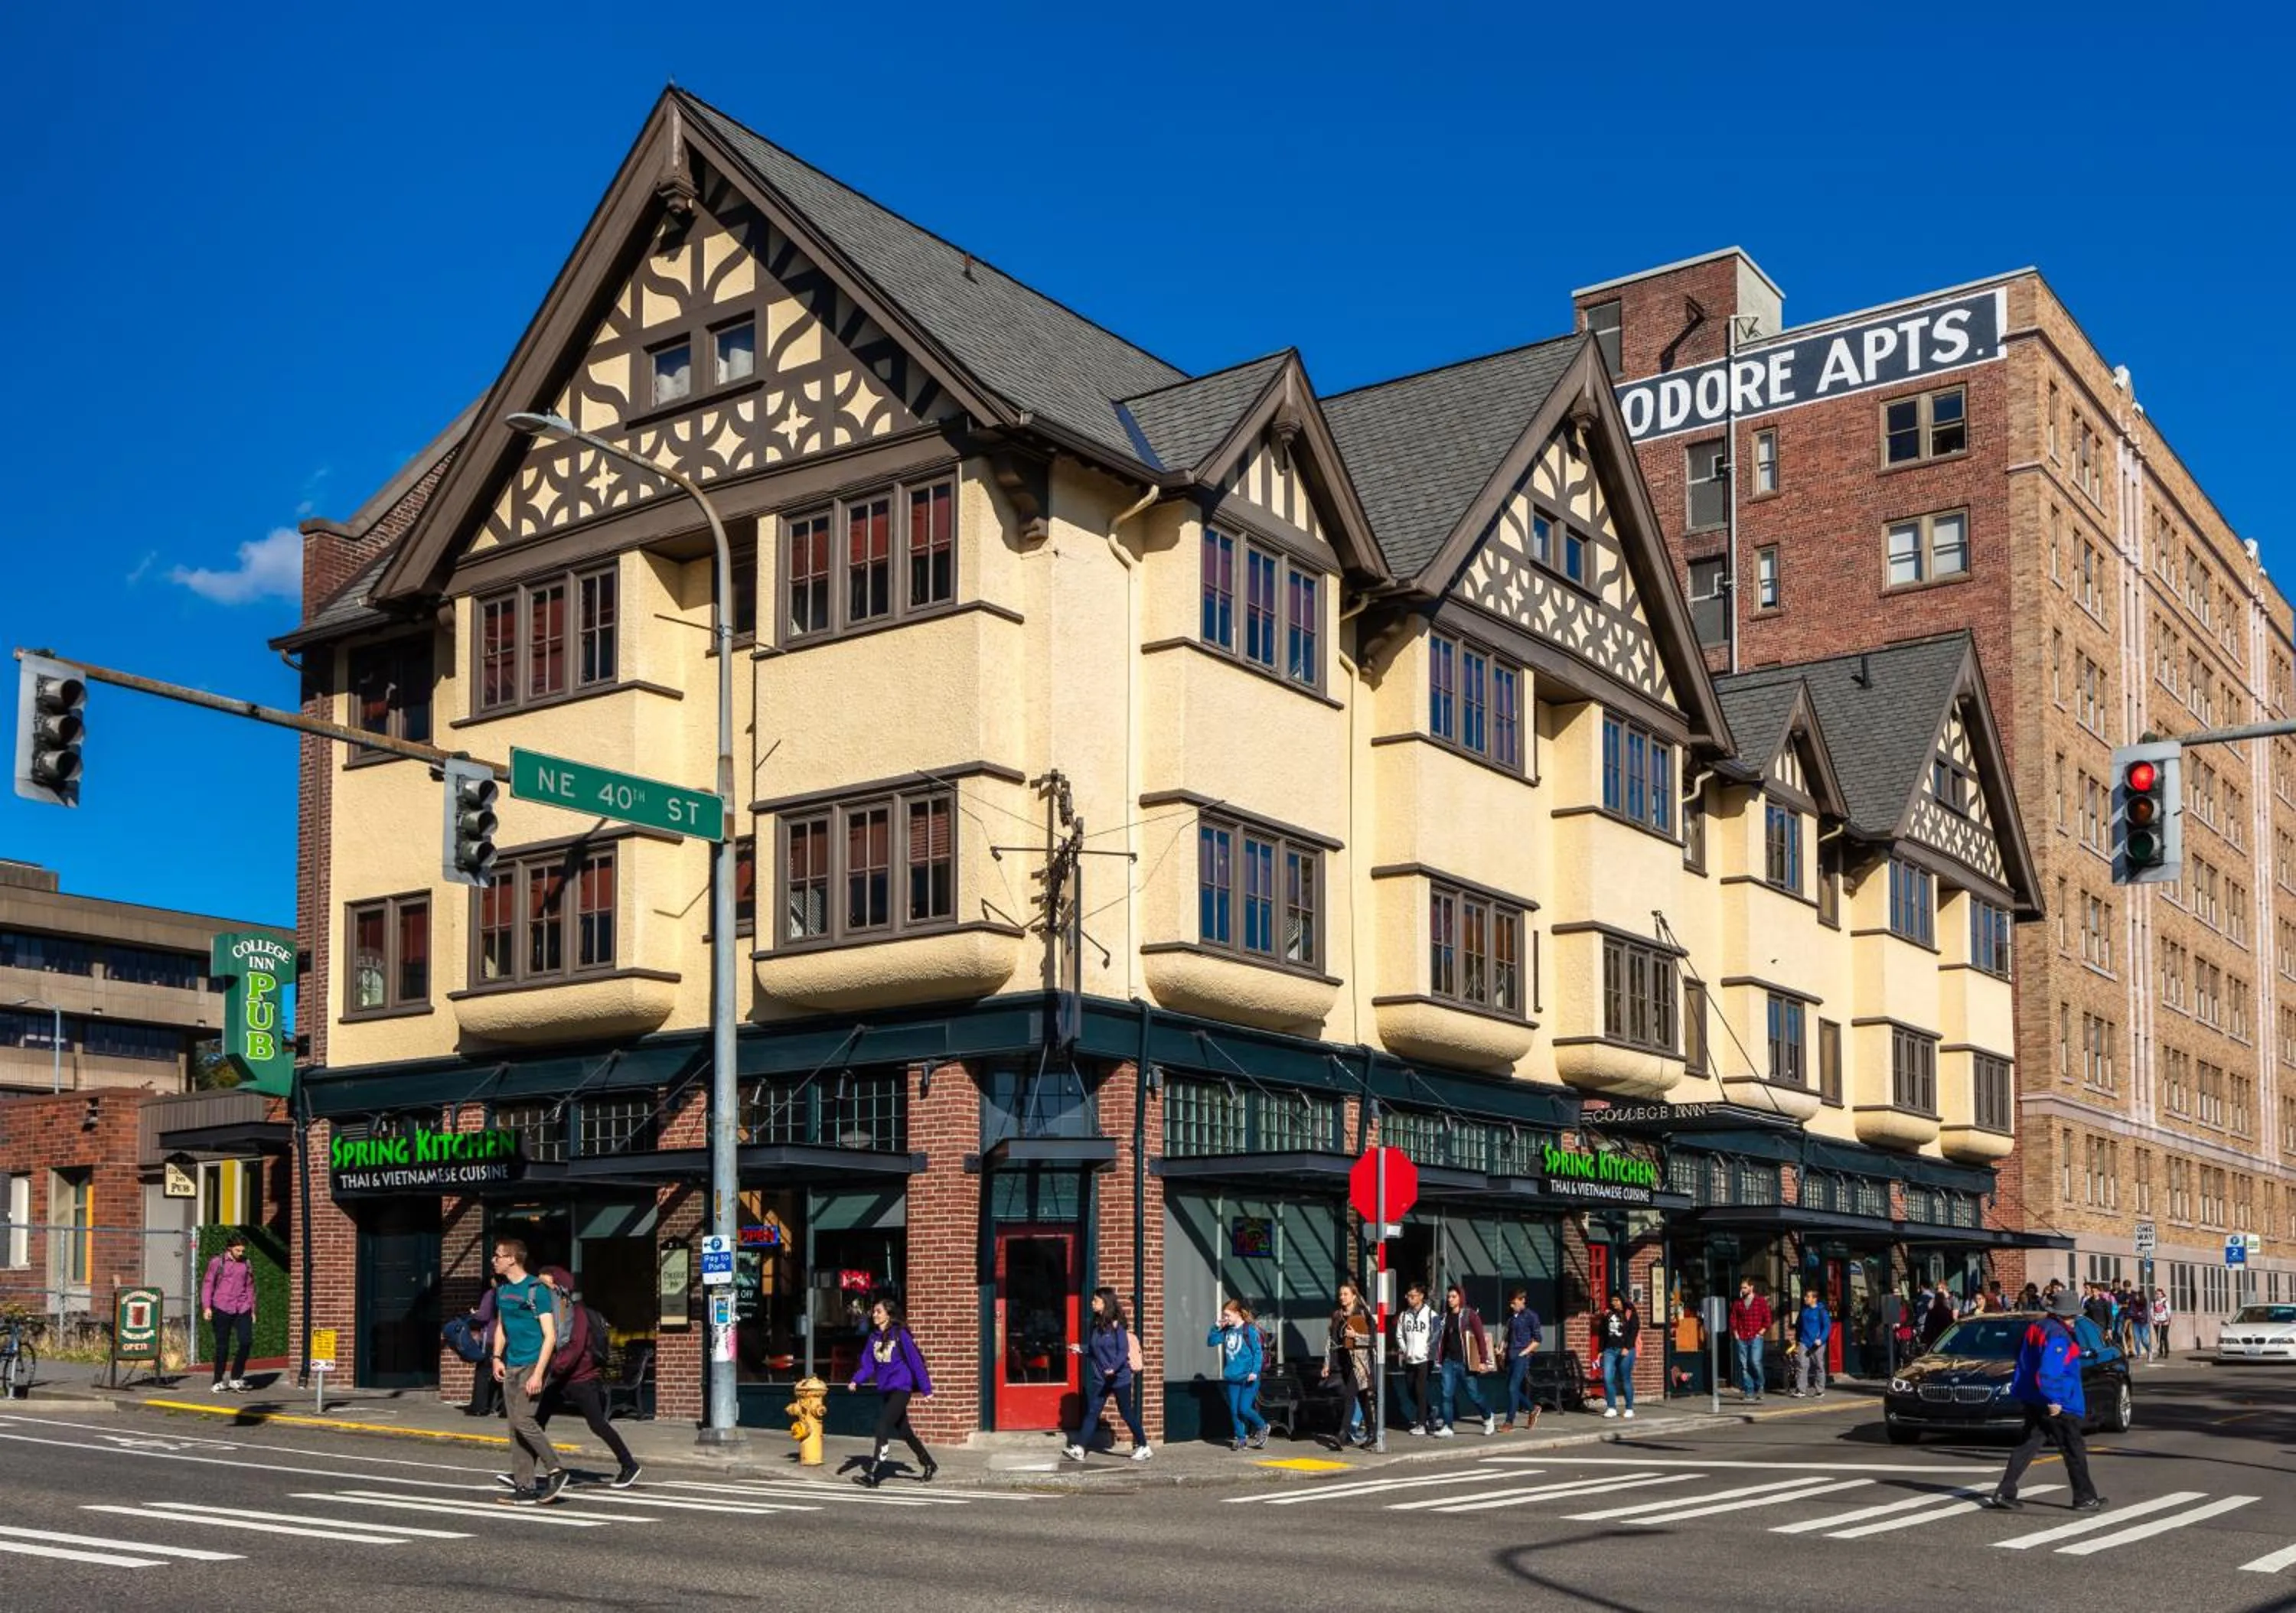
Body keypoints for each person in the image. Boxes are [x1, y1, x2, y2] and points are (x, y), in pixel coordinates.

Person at [1981, 1289, 2105, 1514]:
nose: (2074, 1319)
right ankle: (2084, 1497)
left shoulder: (2037, 1328)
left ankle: (2005, 1490)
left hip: (2034, 1396)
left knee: (2028, 1444)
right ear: (2064, 1315)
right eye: (2072, 1315)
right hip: (2055, 1400)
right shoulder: (2058, 1335)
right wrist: (2054, 1399)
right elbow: (2049, 1372)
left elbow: (2025, 1359)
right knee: (2073, 1448)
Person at [535, 1267, 640, 1488]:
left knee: (598, 1424)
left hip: (582, 1378)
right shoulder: (554, 1312)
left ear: (558, 1287)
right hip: (563, 1378)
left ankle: (629, 1465)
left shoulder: (576, 1313)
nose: (539, 1290)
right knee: (537, 1423)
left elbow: (574, 1349)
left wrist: (552, 1368)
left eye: (544, 1286)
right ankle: (523, 1474)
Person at [488, 1238, 569, 1506]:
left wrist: (538, 1374)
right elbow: (502, 1327)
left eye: (498, 1256)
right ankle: (525, 1487)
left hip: (533, 1363)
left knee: (524, 1419)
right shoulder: (502, 1291)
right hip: (510, 1364)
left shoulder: (536, 1290)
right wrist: (497, 1357)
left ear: (512, 1258)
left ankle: (556, 1470)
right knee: (514, 1427)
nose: (494, 1260)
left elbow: (550, 1336)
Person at [850, 1296, 937, 1486]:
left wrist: (926, 1389)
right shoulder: (873, 1338)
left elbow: (916, 1362)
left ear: (888, 1315)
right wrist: (856, 1380)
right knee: (905, 1431)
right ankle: (929, 1464)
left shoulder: (900, 1335)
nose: (874, 1315)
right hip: (886, 1390)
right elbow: (868, 1365)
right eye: (874, 1312)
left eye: (878, 1312)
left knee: (882, 1426)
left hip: (901, 1388)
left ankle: (873, 1475)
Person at [1065, 1287, 1152, 1462]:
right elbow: (1096, 1350)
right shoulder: (1096, 1325)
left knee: (1126, 1412)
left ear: (1105, 1303)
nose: (1092, 1303)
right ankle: (1080, 1448)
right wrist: (1080, 1349)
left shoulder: (1117, 1325)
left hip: (1119, 1378)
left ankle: (1144, 1446)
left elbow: (1122, 1351)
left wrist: (1113, 1368)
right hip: (1101, 1378)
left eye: (1096, 1300)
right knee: (1092, 1412)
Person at [1431, 1283, 1496, 1438]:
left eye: (1453, 1297)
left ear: (1460, 1298)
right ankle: (1448, 1426)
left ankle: (1488, 1417)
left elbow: (1480, 1338)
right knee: (1446, 1394)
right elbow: (1443, 1340)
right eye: (1448, 1297)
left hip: (1465, 1363)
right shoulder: (1445, 1317)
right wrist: (1439, 1358)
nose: (1450, 1300)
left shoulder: (1469, 1315)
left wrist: (1482, 1360)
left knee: (1474, 1395)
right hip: (1448, 1361)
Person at [1207, 1298, 1268, 1451]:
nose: (1225, 1318)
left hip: (1249, 1377)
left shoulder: (1249, 1330)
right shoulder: (1227, 1331)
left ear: (1238, 1313)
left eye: (1228, 1315)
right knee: (1234, 1410)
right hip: (1233, 1377)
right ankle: (1241, 1439)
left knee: (1244, 1408)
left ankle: (1262, 1426)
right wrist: (1216, 1327)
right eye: (1224, 1315)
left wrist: (1255, 1372)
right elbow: (1211, 1342)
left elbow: (1257, 1353)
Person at [201, 1232, 257, 1393]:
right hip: (221, 1306)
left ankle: (236, 1378)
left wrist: (252, 1308)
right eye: (238, 1250)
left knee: (246, 1341)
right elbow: (208, 1284)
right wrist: (207, 1307)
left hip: (242, 1307)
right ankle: (218, 1380)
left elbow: (250, 1286)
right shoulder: (217, 1263)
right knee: (222, 1346)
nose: (241, 1253)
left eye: (243, 1251)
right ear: (230, 1249)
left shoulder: (246, 1263)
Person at [1323, 1281, 1375, 1450]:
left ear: (1354, 1296)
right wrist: (1327, 1363)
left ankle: (1342, 1435)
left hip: (1360, 1363)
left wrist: (1356, 1335)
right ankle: (1372, 1432)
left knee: (1349, 1396)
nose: (1342, 1297)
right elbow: (1330, 1341)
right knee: (1362, 1397)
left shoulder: (1362, 1314)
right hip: (1343, 1361)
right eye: (1340, 1294)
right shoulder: (1337, 1315)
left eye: (1345, 1294)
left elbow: (1374, 1340)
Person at [1390, 1282, 1437, 1435]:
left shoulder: (1431, 1315)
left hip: (1425, 1359)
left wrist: (1427, 1350)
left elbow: (1436, 1335)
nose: (1410, 1299)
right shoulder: (1405, 1315)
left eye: (1413, 1296)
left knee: (1420, 1390)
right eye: (1408, 1296)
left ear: (1421, 1296)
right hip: (1410, 1359)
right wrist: (1405, 1350)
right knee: (1411, 1391)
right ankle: (1430, 1411)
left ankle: (1421, 1424)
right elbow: (1399, 1335)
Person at [1501, 1289, 1543, 1431]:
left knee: (1513, 1387)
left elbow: (1538, 1340)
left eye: (1523, 1299)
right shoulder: (1511, 1316)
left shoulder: (1531, 1316)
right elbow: (1507, 1335)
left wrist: (1524, 1352)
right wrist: (1501, 1348)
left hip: (1521, 1356)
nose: (1523, 1301)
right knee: (1509, 1388)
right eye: (1520, 1299)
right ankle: (1533, 1408)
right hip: (1509, 1355)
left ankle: (1509, 1422)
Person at [1729, 1279, 1773, 1402]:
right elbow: (1733, 1319)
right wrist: (1736, 1334)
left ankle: (1760, 1386)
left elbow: (1767, 1319)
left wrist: (1761, 1332)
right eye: (1741, 1288)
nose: (1742, 1290)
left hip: (1755, 1336)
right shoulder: (1738, 1303)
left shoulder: (1761, 1302)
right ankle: (1749, 1392)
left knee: (1755, 1362)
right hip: (1742, 1337)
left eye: (1745, 1288)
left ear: (1751, 1287)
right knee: (1744, 1366)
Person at [1597, 1292, 1639, 1419]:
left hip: (1626, 1350)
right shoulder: (1608, 1314)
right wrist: (1601, 1350)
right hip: (1610, 1350)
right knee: (1607, 1378)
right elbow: (1603, 1333)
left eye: (1616, 1300)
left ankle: (1629, 1408)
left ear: (1622, 1301)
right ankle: (1611, 1407)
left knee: (1625, 1379)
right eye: (1612, 1300)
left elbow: (1634, 1331)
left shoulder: (1630, 1313)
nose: (1614, 1303)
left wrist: (1627, 1347)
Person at [1791, 1289, 1831, 1399]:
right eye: (1805, 1296)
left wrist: (1821, 1339)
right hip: (1804, 1341)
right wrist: (1797, 1339)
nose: (1805, 1298)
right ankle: (1801, 1389)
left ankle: (1820, 1390)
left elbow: (1827, 1327)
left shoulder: (1821, 1310)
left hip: (1817, 1343)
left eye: (1808, 1297)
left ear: (1814, 1299)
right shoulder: (1804, 1310)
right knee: (1802, 1365)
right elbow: (1799, 1325)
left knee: (1819, 1366)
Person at [1923, 1283, 1957, 1349]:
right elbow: (1952, 1326)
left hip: (1935, 1340)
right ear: (1943, 1300)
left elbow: (1927, 1328)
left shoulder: (1932, 1312)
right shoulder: (1946, 1311)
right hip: (1945, 1339)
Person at [2152, 1287, 2173, 1359]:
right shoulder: (2154, 1302)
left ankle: (2167, 1352)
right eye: (2156, 1294)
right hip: (2157, 1321)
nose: (2158, 1295)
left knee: (2164, 1337)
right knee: (2159, 1337)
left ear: (2162, 1294)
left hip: (2165, 1321)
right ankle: (2160, 1352)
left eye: (2159, 1294)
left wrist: (2167, 1320)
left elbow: (2169, 1312)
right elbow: (2152, 1311)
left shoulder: (2165, 1302)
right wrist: (2153, 1319)